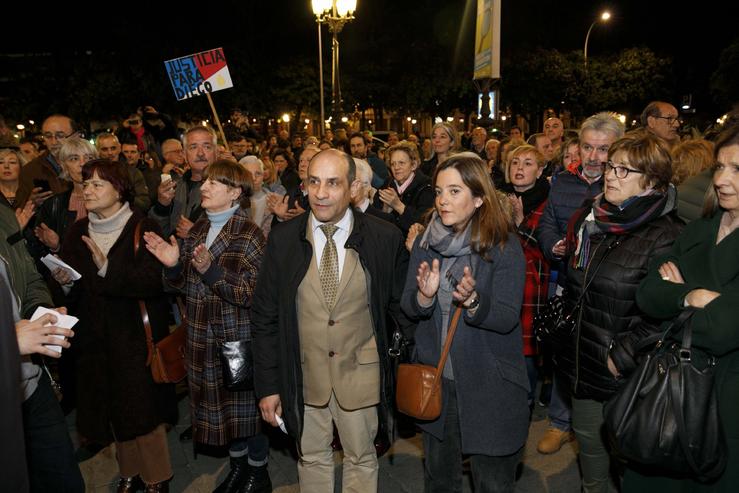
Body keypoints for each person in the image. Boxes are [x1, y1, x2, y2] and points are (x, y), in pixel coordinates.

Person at [252, 149, 408, 492]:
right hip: (303, 374)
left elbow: (400, 312)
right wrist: (268, 386)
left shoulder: (384, 238)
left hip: (362, 374)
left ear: (353, 188)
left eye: (333, 183)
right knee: (310, 458)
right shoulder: (283, 239)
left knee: (362, 458)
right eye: (314, 182)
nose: (320, 193)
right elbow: (264, 317)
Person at [556, 132, 682, 492]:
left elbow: (669, 315)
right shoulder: (595, 221)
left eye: (624, 170)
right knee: (591, 457)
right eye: (612, 165)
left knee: (630, 464)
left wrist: (622, 355)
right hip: (585, 365)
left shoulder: (667, 235)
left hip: (631, 378)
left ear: (653, 181)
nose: (610, 174)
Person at [402, 152, 528, 493]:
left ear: (478, 198)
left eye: (454, 191)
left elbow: (505, 317)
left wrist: (473, 301)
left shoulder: (503, 245)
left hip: (490, 385)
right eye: (439, 191)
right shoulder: (426, 243)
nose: (443, 200)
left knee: (492, 483)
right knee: (440, 481)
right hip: (438, 382)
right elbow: (408, 307)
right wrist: (424, 297)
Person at [144, 160, 270, 493]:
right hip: (201, 338)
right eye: (206, 181)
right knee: (222, 414)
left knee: (246, 414)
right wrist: (172, 267)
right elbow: (182, 286)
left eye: (215, 183)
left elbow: (249, 294)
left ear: (235, 193)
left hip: (235, 342)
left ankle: (259, 473)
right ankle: (238, 467)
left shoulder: (250, 234)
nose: (204, 187)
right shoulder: (197, 229)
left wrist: (212, 272)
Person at [625, 123, 739, 492]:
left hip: (724, 407)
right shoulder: (700, 227)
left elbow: (723, 331)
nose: (722, 179)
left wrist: (677, 291)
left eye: (737, 170)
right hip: (671, 393)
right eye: (719, 166)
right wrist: (692, 297)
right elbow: (646, 293)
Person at [52, 159, 176, 492]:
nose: (87, 191)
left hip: (134, 339)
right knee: (112, 410)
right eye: (84, 184)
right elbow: (75, 289)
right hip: (94, 341)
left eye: (96, 185)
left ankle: (157, 478)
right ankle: (130, 473)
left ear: (118, 189)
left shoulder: (143, 227)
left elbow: (153, 283)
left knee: (143, 414)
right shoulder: (77, 231)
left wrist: (108, 269)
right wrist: (65, 283)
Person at [535, 112, 624, 455]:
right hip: (568, 286)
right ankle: (559, 423)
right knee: (564, 353)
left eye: (603, 150)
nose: (593, 156)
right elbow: (546, 226)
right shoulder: (562, 183)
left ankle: (605, 430)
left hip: (607, 292)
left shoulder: (623, 184)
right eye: (587, 147)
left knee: (603, 359)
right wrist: (553, 245)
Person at [0, 204, 84, 493]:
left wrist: (41, 312)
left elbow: (30, 278)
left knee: (65, 482)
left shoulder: (3, 216)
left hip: (33, 385)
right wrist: (8, 341)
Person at [501, 145, 551, 409]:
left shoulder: (547, 202)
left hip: (531, 287)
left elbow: (547, 248)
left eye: (528, 163)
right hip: (501, 285)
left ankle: (526, 405)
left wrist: (519, 222)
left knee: (527, 354)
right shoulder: (498, 198)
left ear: (540, 170)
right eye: (515, 163)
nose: (519, 168)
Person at [150, 126, 217, 238]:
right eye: (193, 147)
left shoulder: (230, 190)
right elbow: (158, 234)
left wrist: (197, 234)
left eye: (207, 146)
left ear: (216, 152)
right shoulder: (173, 188)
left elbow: (239, 239)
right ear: (184, 154)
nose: (200, 153)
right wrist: (162, 206)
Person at [373, 141, 434, 236]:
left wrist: (398, 205)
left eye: (401, 163)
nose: (396, 167)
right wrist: (385, 209)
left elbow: (424, 223)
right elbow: (375, 221)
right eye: (393, 164)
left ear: (413, 165)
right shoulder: (387, 184)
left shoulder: (427, 187)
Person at [16, 114, 77, 207]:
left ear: (75, 136)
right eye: (48, 136)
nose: (54, 142)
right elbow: (17, 210)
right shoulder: (29, 170)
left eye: (60, 136)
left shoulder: (90, 164)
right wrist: (31, 202)